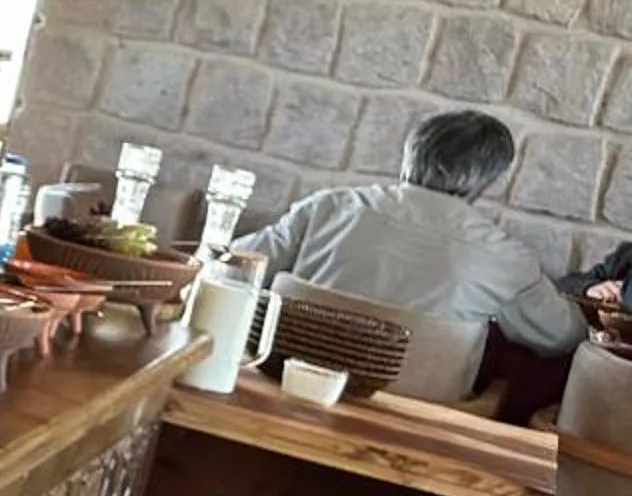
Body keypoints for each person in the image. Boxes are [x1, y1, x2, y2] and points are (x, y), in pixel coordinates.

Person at [243, 110, 585, 374]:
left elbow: (235, 265)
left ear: (409, 154)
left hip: (284, 383)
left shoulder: (328, 207)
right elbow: (562, 338)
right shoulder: (507, 259)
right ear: (487, 181)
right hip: (422, 417)